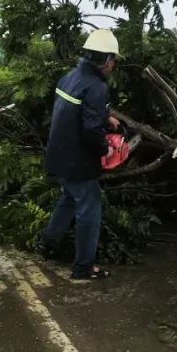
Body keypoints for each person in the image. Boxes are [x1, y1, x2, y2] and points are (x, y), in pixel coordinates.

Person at [38, 29, 121, 280]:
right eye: (113, 60)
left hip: (58, 155)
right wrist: (106, 149)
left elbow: (76, 111)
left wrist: (106, 116)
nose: (114, 65)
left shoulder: (69, 77)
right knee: (90, 207)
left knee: (68, 199)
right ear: (107, 60)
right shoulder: (97, 86)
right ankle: (84, 267)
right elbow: (91, 131)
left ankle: (47, 244)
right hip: (78, 161)